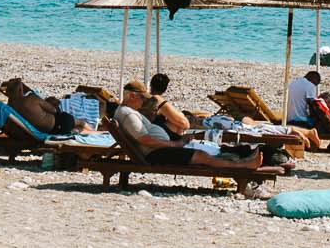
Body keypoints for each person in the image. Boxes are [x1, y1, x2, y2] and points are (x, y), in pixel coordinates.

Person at [114, 82, 267, 175]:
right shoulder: (127, 114)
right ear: (132, 96)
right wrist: (175, 144)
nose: (143, 102)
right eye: (142, 98)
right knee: (201, 156)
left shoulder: (127, 112)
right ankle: (244, 166)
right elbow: (145, 140)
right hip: (155, 154)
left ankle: (243, 161)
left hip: (157, 149)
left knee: (202, 153)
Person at [143, 73, 191, 139]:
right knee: (180, 118)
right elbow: (185, 124)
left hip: (147, 130)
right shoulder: (159, 101)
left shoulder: (146, 98)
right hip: (158, 133)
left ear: (151, 84)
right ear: (165, 88)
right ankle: (179, 141)